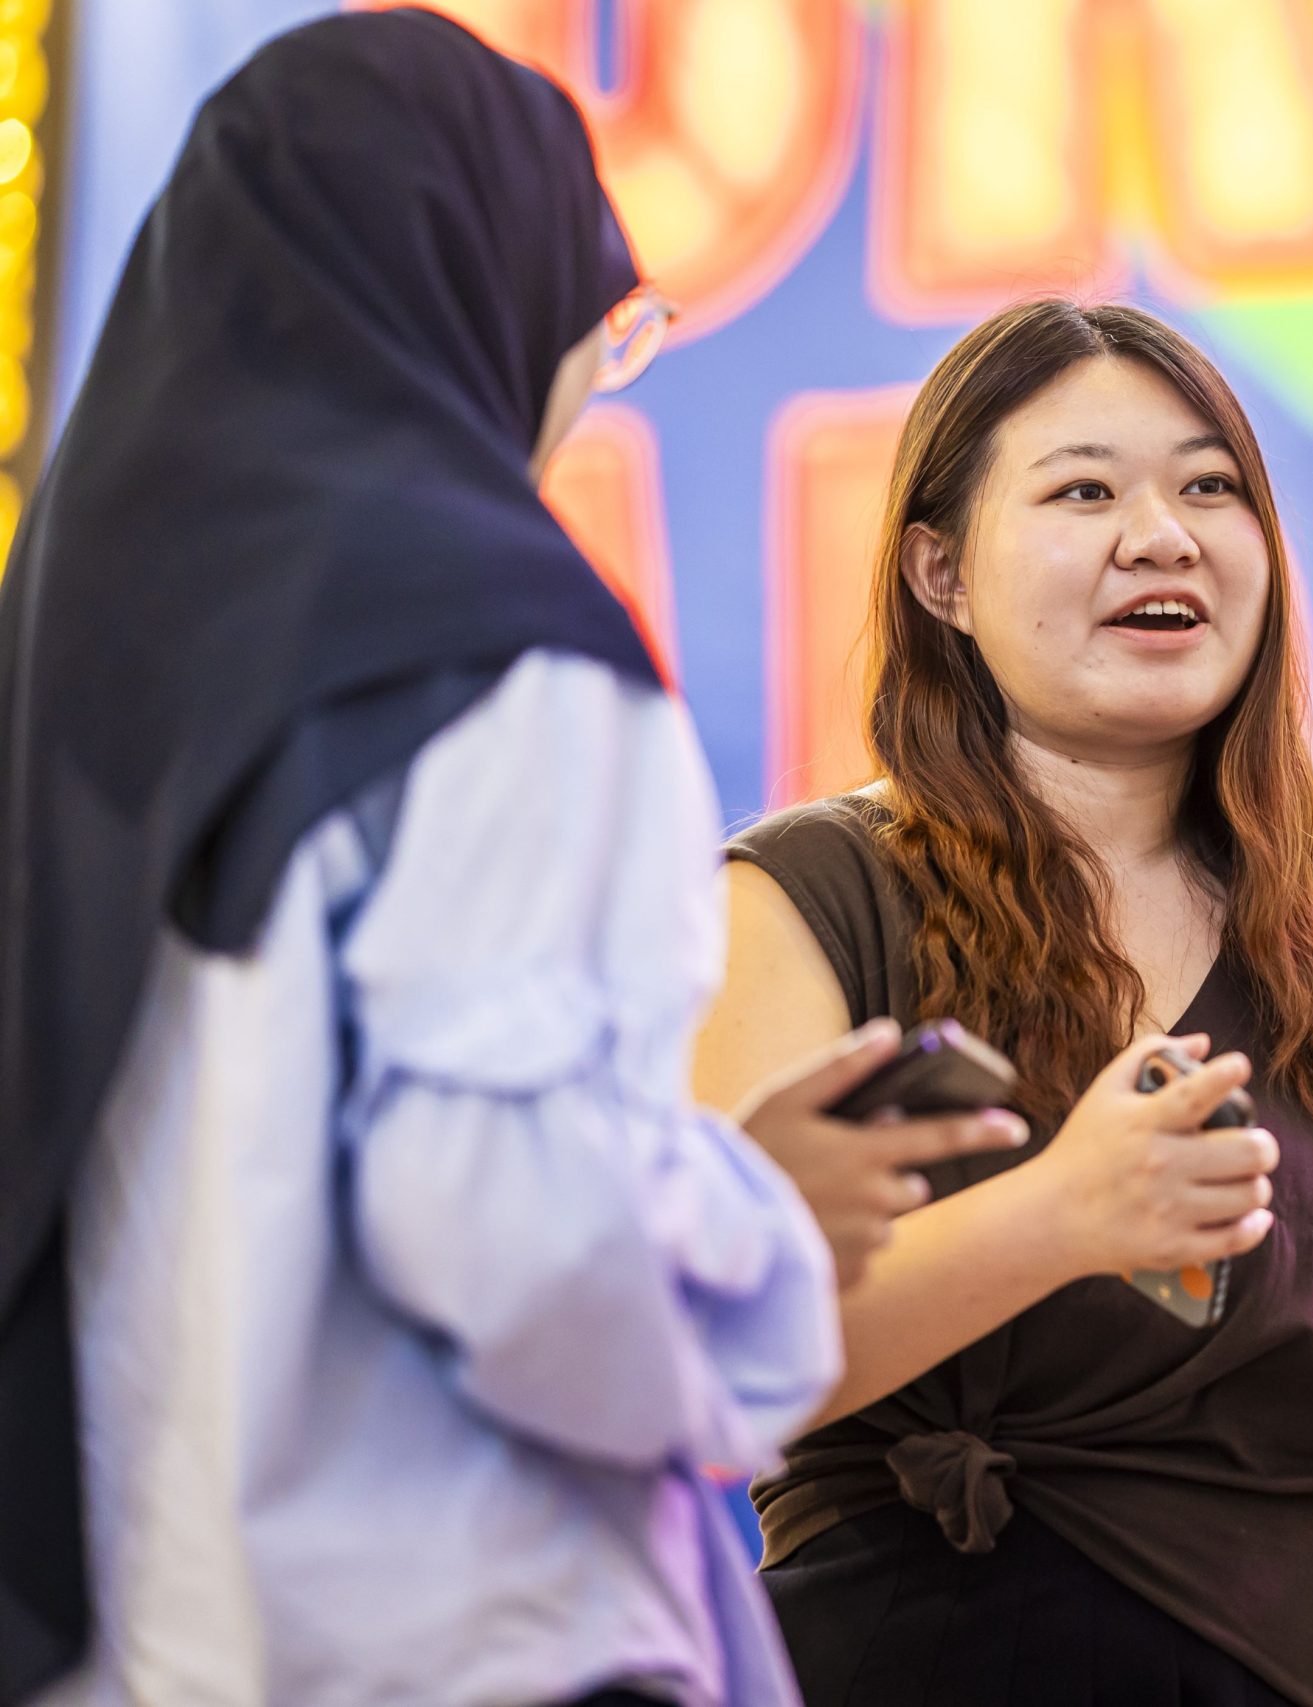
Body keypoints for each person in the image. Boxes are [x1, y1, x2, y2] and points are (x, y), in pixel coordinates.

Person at [0, 13, 1020, 1705]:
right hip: (461, 1644)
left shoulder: (70, 664)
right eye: (594, 331)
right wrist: (753, 1216)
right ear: (472, 293)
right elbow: (505, 1230)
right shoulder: (500, 651)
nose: (570, 393)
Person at [693, 298, 1313, 1706]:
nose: (1162, 534)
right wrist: (1057, 1219)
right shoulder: (807, 898)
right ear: (942, 574)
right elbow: (702, 1362)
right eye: (1085, 490)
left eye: (1209, 487)